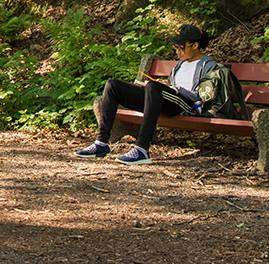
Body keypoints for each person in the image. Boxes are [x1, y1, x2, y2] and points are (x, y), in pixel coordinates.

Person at [74, 23, 219, 165]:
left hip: (186, 105)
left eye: (181, 48)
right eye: (175, 48)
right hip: (164, 99)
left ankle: (141, 149)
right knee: (113, 86)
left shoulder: (208, 66)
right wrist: (158, 86)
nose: (177, 52)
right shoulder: (180, 65)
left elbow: (200, 98)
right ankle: (101, 144)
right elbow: (167, 88)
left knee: (154, 87)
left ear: (195, 45)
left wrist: (171, 88)